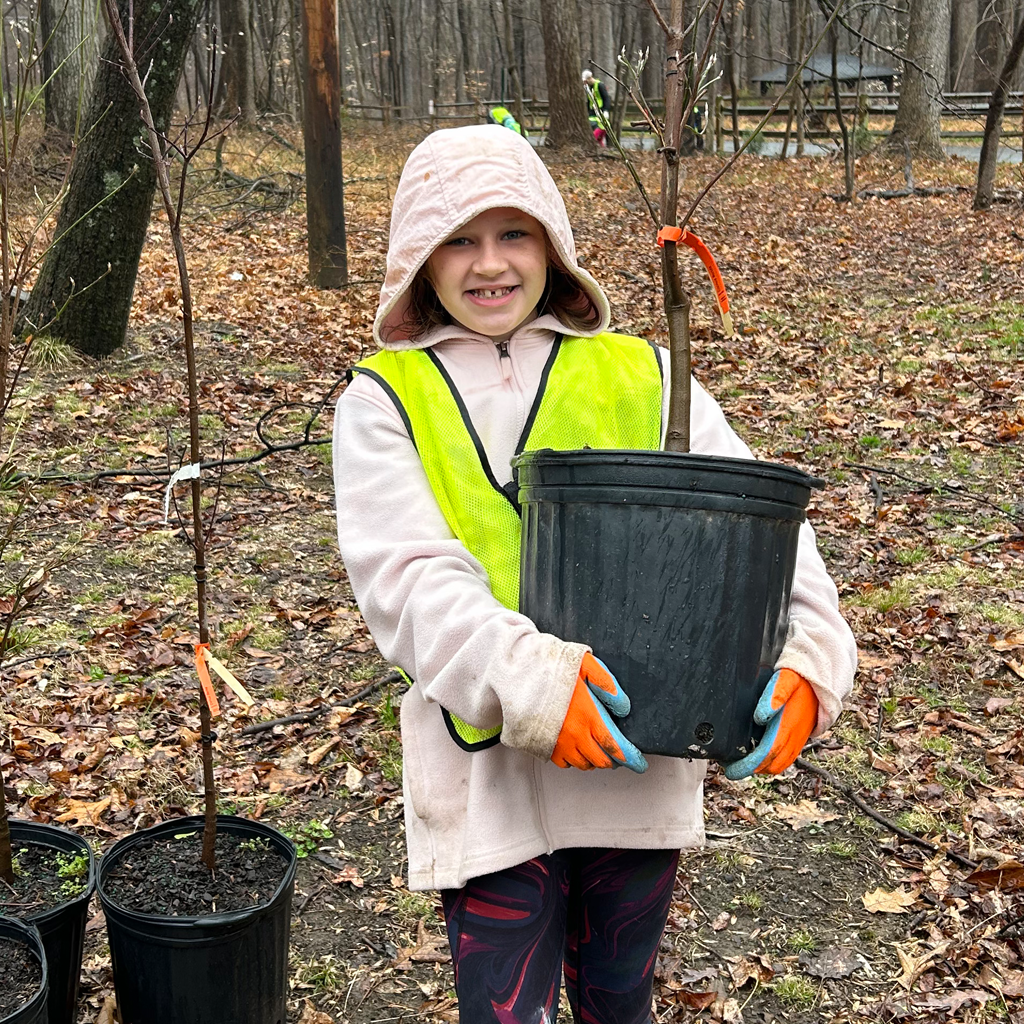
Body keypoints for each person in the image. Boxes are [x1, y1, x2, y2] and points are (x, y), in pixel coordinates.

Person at [333, 124, 857, 1024]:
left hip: (633, 773)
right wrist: (534, 682)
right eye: (457, 238)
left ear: (553, 245)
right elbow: (408, 578)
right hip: (486, 782)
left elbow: (757, 531)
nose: (488, 264)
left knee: (620, 999)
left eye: (514, 234)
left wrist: (812, 657)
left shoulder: (643, 374)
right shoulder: (384, 398)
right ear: (418, 257)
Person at [582, 69, 611, 146]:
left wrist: (606, 110)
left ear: (589, 78)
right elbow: (589, 101)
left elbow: (606, 98)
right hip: (592, 112)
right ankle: (600, 145)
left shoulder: (600, 85)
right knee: (595, 128)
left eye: (586, 81)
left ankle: (595, 143)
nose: (585, 83)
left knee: (601, 129)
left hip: (600, 111)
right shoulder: (588, 88)